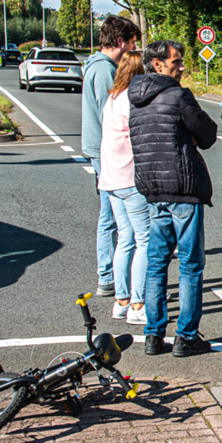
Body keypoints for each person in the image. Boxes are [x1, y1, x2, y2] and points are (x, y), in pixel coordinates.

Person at [129, 40, 218, 357]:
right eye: (176, 62)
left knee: (156, 264)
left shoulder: (135, 99)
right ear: (157, 64)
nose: (181, 67)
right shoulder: (178, 95)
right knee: (191, 265)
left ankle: (153, 334)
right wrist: (190, 135)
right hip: (183, 187)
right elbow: (208, 134)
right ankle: (186, 336)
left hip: (153, 188)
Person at [80, 15, 141, 297]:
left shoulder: (95, 65)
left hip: (100, 149)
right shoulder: (106, 70)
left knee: (112, 216)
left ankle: (111, 276)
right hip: (107, 151)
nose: (132, 49)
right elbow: (114, 115)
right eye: (131, 43)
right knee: (113, 219)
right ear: (120, 42)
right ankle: (110, 277)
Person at [98, 51, 149, 325]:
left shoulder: (112, 97)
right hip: (131, 178)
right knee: (145, 240)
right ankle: (138, 305)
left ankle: (121, 300)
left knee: (125, 239)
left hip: (111, 179)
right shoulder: (132, 100)